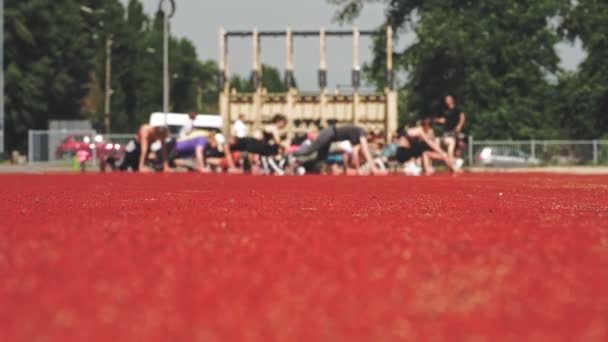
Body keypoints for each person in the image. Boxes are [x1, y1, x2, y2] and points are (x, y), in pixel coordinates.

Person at [293, 124, 386, 175]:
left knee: (321, 157)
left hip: (331, 137)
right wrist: (372, 168)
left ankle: (301, 164)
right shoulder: (362, 133)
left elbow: (354, 151)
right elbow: (365, 151)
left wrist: (357, 170)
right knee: (310, 150)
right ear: (373, 136)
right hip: (330, 133)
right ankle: (291, 153)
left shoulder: (358, 135)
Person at [435, 95, 465, 166]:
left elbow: (462, 118)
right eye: (446, 100)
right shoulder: (445, 110)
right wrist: (436, 120)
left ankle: (457, 161)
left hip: (455, 131)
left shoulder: (457, 109)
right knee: (449, 146)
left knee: (457, 146)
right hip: (447, 131)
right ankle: (454, 161)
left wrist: (459, 126)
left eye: (448, 99)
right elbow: (444, 120)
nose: (447, 101)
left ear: (452, 100)